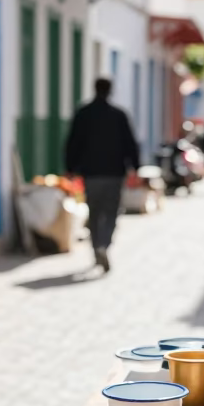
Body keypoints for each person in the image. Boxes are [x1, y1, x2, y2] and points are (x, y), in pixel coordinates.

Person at [65, 77, 140, 273]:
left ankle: (97, 246)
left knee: (95, 212)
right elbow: (130, 143)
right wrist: (135, 167)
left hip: (91, 173)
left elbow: (73, 142)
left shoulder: (83, 114)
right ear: (110, 91)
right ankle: (104, 245)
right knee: (112, 212)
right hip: (114, 173)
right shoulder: (119, 115)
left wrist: (70, 168)